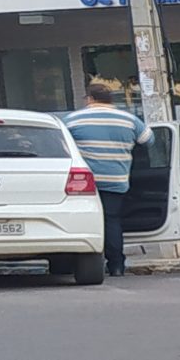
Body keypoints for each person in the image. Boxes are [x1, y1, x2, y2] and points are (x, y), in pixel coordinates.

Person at [66, 82, 143, 275]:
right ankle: (116, 265)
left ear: (90, 99)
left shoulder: (73, 119)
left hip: (84, 182)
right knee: (111, 221)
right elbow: (148, 140)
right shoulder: (129, 119)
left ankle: (84, 262)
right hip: (116, 180)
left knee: (82, 221)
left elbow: (61, 142)